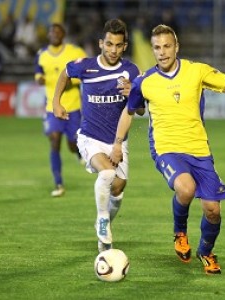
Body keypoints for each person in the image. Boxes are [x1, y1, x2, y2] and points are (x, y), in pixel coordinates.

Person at [110, 24, 225, 275]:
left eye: (167, 46)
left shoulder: (196, 71)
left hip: (199, 150)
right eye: (157, 47)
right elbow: (131, 111)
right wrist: (117, 143)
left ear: (176, 47)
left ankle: (206, 252)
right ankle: (179, 232)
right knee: (186, 188)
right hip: (166, 148)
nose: (162, 52)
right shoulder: (144, 81)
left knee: (213, 210)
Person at [52, 19, 144, 252]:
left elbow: (140, 110)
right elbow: (64, 73)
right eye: (109, 44)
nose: (113, 50)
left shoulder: (132, 71)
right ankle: (103, 221)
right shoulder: (86, 66)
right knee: (107, 173)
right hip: (89, 137)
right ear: (101, 43)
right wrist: (56, 103)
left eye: (118, 45)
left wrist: (133, 92)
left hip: (117, 141)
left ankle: (103, 224)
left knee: (118, 187)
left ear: (124, 46)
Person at [35, 23, 87, 197]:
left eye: (58, 32)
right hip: (52, 107)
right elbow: (38, 73)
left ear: (63, 34)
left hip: (73, 107)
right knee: (54, 140)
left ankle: (77, 152)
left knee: (72, 143)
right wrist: (40, 80)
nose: (54, 34)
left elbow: (87, 74)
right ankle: (58, 183)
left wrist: (69, 81)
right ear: (48, 35)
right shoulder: (42, 55)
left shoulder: (75, 52)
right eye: (52, 32)